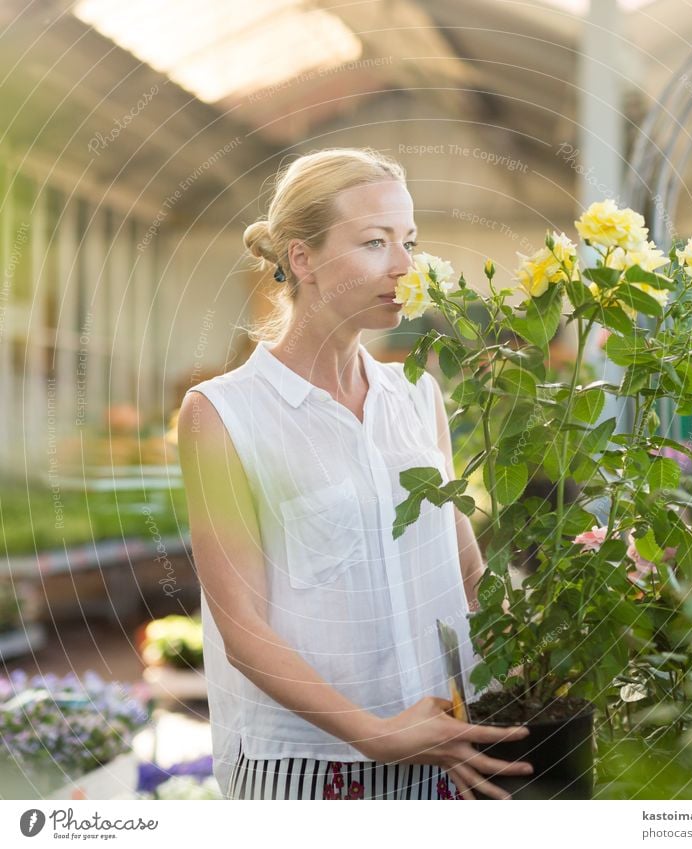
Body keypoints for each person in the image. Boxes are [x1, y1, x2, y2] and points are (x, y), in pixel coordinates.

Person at [176, 147, 534, 800]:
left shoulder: (418, 396)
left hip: (445, 750)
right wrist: (373, 731)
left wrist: (557, 628)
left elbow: (465, 570)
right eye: (374, 242)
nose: (404, 265)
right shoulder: (222, 415)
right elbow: (244, 630)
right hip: (307, 770)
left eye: (409, 241)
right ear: (301, 257)